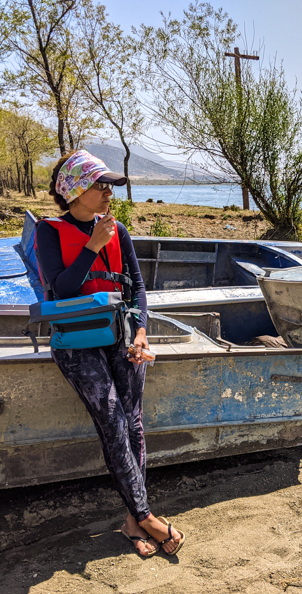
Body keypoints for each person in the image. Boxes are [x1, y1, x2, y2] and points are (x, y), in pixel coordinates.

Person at [35, 149, 185, 557]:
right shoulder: (49, 231)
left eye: (109, 185)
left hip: (122, 337)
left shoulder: (117, 229)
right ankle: (147, 516)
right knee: (113, 422)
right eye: (99, 185)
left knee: (133, 424)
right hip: (79, 341)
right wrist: (90, 247)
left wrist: (141, 331)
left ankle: (132, 522)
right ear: (74, 190)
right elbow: (61, 289)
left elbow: (136, 285)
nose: (107, 192)